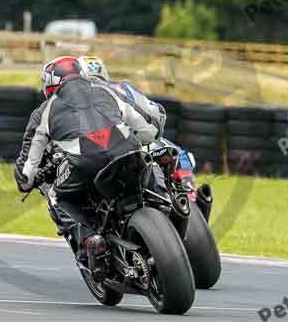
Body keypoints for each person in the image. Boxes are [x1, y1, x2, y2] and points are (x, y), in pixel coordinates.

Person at [14, 56, 160, 278]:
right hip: (128, 151)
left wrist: (26, 182)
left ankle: (89, 239)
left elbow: (27, 169)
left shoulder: (44, 111)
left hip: (84, 163)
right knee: (146, 169)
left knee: (56, 196)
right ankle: (162, 211)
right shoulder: (108, 90)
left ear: (49, 84)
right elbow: (150, 128)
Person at [77, 56, 214, 220]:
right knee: (180, 156)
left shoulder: (72, 100)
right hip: (139, 142)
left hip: (104, 155)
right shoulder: (123, 88)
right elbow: (155, 112)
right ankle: (189, 196)